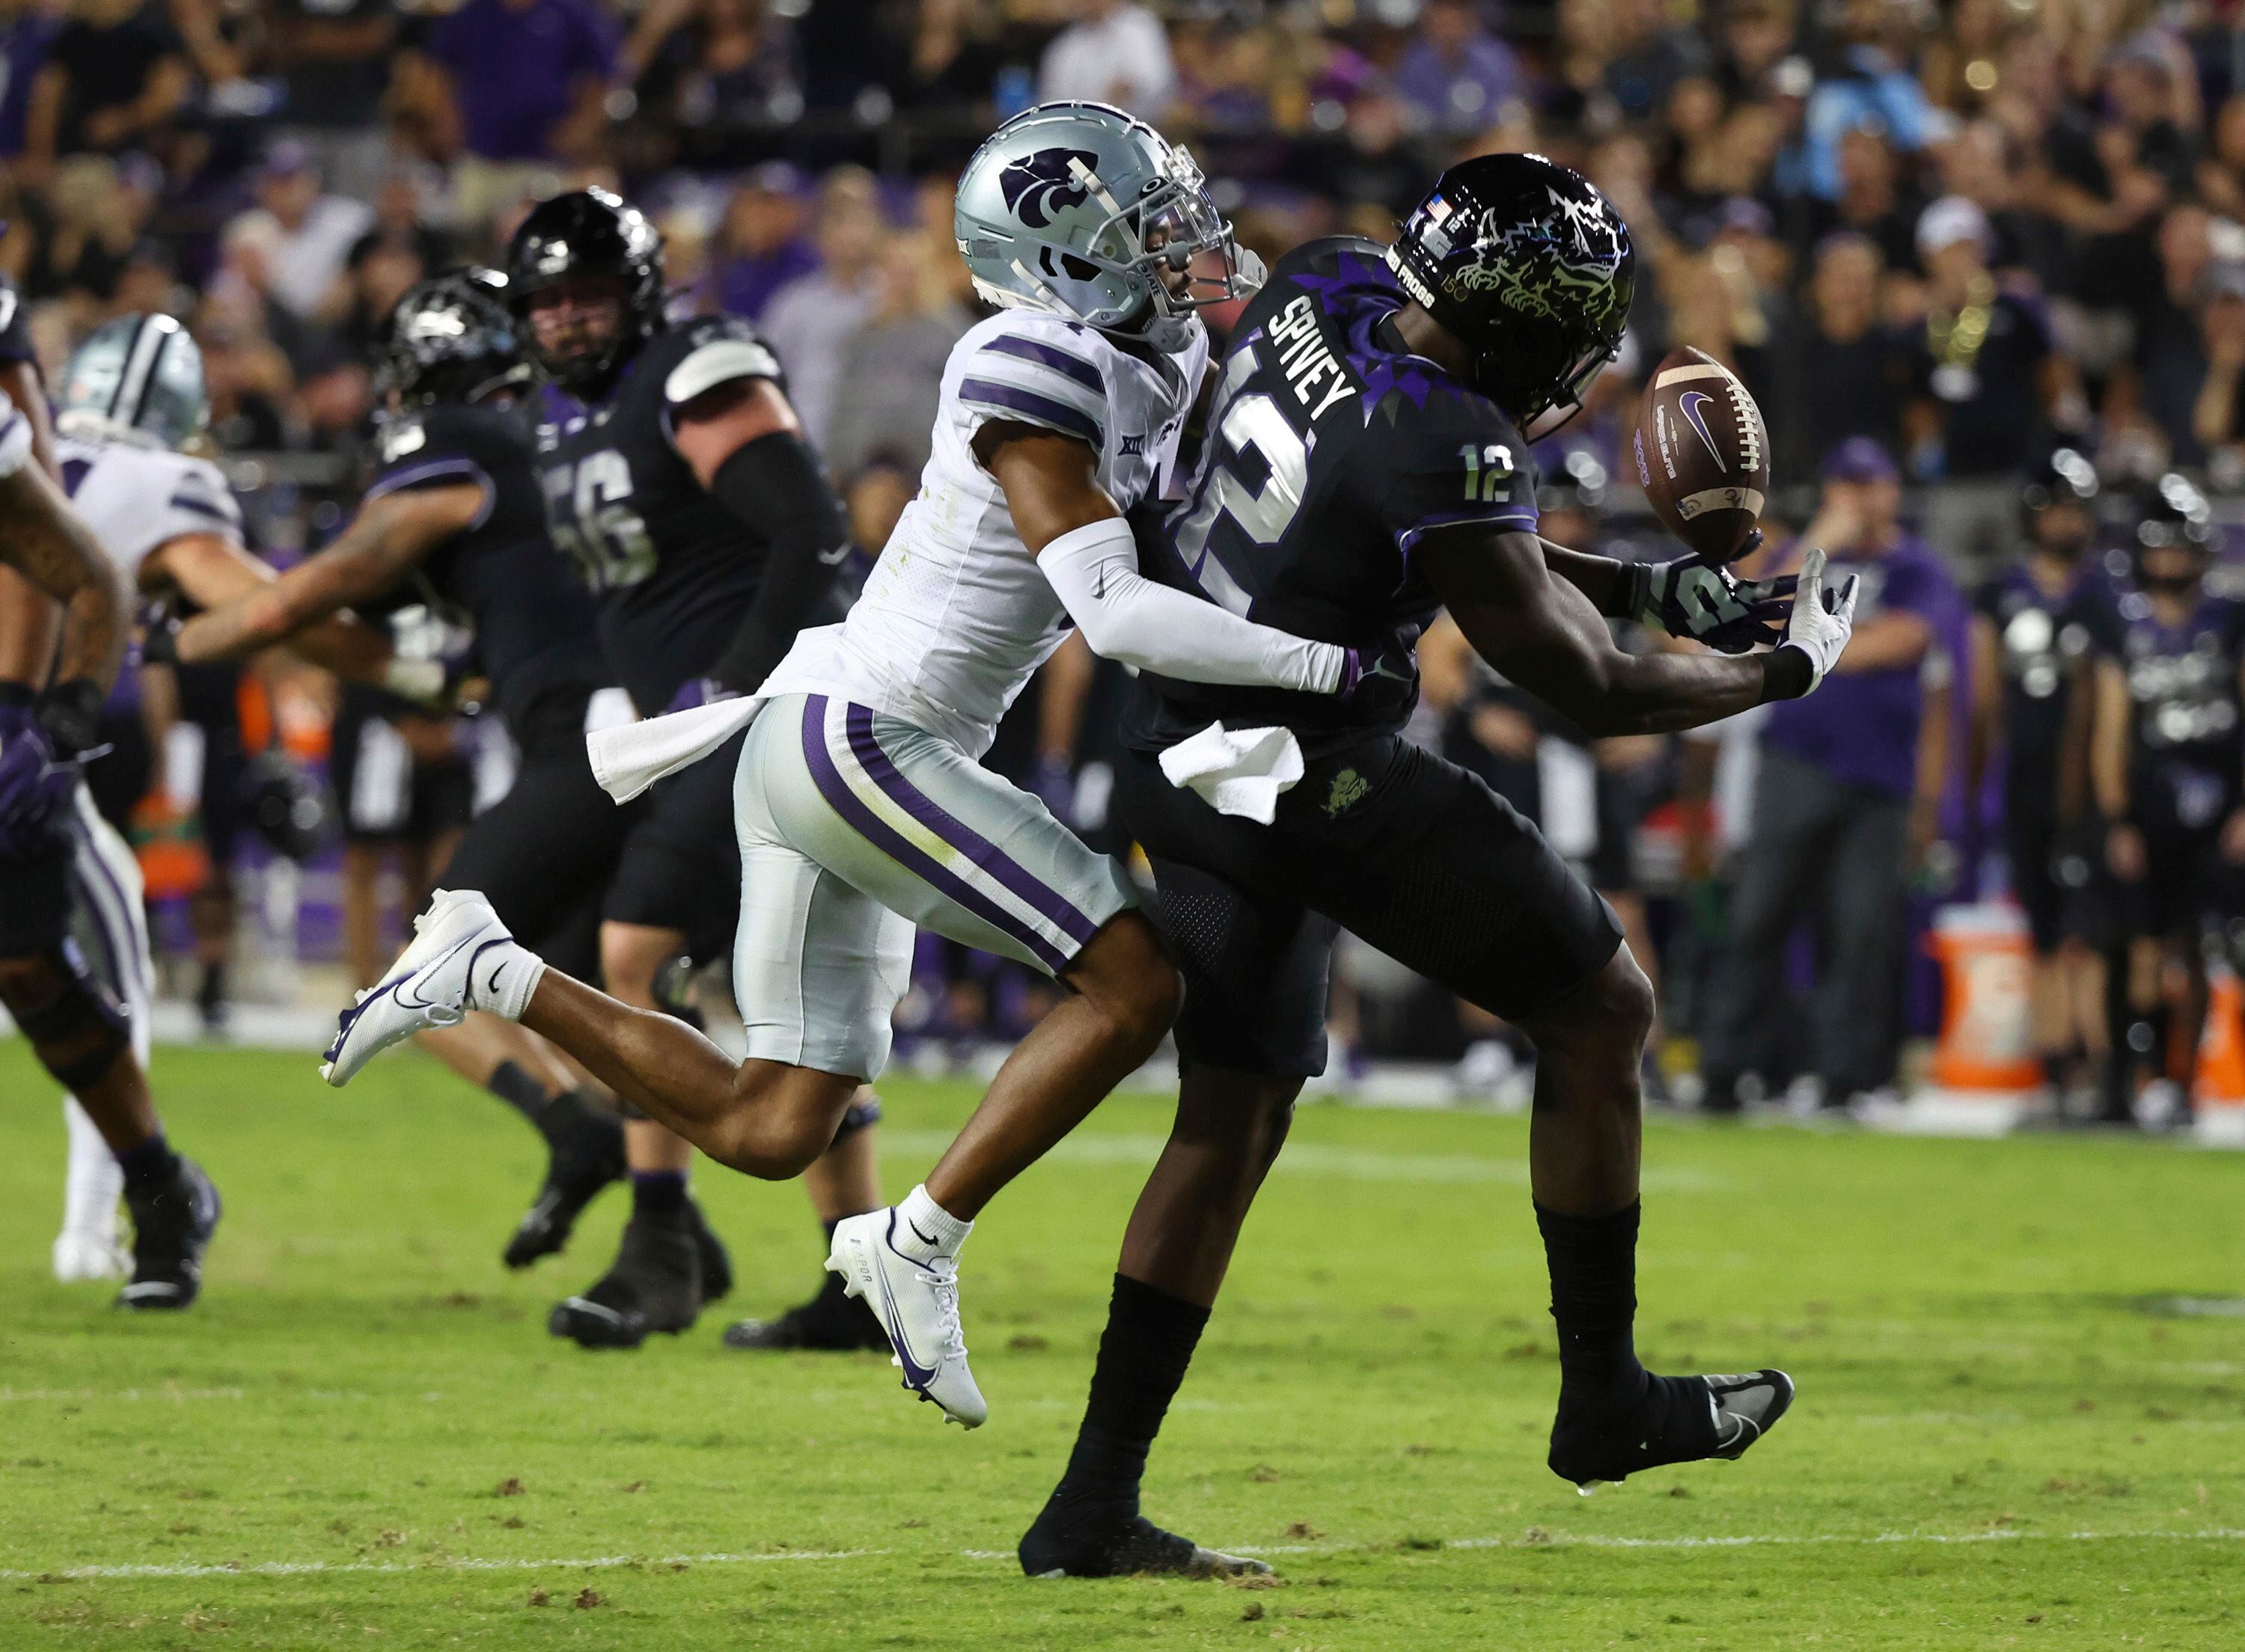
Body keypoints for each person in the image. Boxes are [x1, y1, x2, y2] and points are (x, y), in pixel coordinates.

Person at [323, 103, 1362, 1434]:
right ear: (1061, 255)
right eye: (1142, 224)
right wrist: (1324, 669)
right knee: (1134, 976)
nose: (1181, 241)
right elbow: (1110, 608)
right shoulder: (1030, 360)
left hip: (828, 737)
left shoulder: (1147, 356)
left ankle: (492, 971)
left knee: (772, 1126)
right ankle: (916, 1240)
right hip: (871, 738)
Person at [1016, 153, 1849, 1579]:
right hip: (1316, 774)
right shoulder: (1451, 437)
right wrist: (1777, 669)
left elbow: (1445, 533)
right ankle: (1603, 1395)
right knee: (1603, 1011)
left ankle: (1091, 1502)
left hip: (1191, 756)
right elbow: (1582, 685)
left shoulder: (1329, 275)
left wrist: (1648, 585)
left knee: (1229, 1115)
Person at [168, 270, 665, 1276]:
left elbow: (311, 595)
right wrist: (424, 672)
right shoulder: (557, 445)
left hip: (588, 746)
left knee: (421, 974)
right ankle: (669, 1230)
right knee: (620, 991)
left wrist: (186, 637)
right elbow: (464, 648)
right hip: (648, 730)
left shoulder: (461, 442)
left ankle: (584, 1140)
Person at [1699, 436, 1955, 1113]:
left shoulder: (1916, 568)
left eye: (1873, 484)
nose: (1863, 498)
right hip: (1795, 763)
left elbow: (1907, 639)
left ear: (1894, 490)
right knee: (1758, 917)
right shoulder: (1809, 558)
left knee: (1858, 932)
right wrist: (1818, 542)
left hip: (1880, 778)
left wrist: (1812, 646)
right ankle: (1725, 1068)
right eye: (1849, 484)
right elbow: (1755, 619)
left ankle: (1843, 1080)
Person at [2089, 474, 2245, 1126]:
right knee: (2144, 949)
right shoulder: (2124, 625)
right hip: (2150, 810)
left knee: (2205, 949)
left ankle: (2184, 1079)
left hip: (2218, 811)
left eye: (2183, 546)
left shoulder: (2231, 619)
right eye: (2163, 547)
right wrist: (2118, 816)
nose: (2173, 559)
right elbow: (2109, 732)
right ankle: (2136, 1078)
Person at [1967, 447, 2108, 1109]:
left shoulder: (2106, 594)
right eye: (2056, 507)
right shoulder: (2001, 592)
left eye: (2075, 508)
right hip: (2027, 778)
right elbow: (1984, 695)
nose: (2065, 521)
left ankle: (2098, 1059)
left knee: (2092, 926)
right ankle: (2056, 1062)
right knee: (2046, 926)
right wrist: (1977, 783)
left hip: (2091, 780)